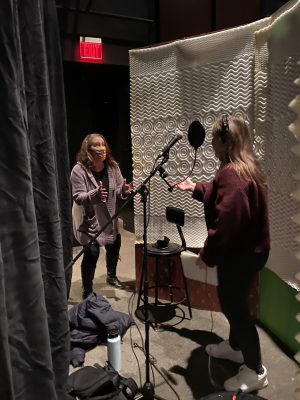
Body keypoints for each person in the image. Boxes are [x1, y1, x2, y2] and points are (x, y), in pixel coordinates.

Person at [174, 115, 270, 393]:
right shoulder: (244, 168)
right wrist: (195, 188)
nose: (211, 144)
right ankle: (237, 347)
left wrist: (208, 253)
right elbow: (221, 194)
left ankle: (255, 369)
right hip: (253, 252)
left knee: (234, 307)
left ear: (224, 141)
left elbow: (229, 217)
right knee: (235, 301)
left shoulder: (232, 173)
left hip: (240, 255)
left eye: (214, 138)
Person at [71, 133, 133, 299]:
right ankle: (87, 290)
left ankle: (111, 275)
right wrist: (95, 195)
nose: (101, 148)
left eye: (103, 144)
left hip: (109, 217)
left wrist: (124, 191)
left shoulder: (113, 167)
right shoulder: (79, 170)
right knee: (91, 253)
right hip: (89, 219)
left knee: (114, 245)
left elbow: (118, 190)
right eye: (96, 145)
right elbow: (78, 197)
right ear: (87, 150)